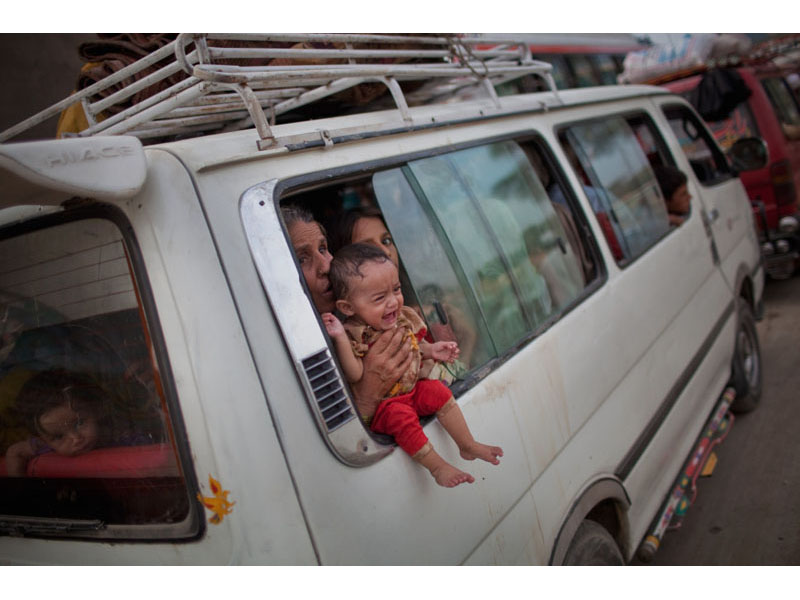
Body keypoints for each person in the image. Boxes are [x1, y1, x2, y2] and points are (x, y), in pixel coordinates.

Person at [323, 243, 503, 488]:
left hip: (411, 392)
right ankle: (437, 466)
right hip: (388, 407)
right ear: (347, 307)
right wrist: (340, 339)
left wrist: (433, 349)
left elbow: (415, 343)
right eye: (379, 298)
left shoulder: (402, 317)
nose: (392, 302)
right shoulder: (355, 334)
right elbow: (355, 373)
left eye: (396, 289)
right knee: (401, 418)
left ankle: (467, 443)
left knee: (439, 392)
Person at [282, 205, 414, 422]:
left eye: (323, 249)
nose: (326, 266)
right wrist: (366, 398)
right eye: (301, 259)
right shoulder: (294, 350)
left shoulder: (375, 320)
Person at [5, 370, 109, 476]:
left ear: (96, 411)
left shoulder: (114, 434)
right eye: (58, 437)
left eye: (79, 423)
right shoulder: (44, 445)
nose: (76, 439)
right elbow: (15, 452)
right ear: (43, 439)